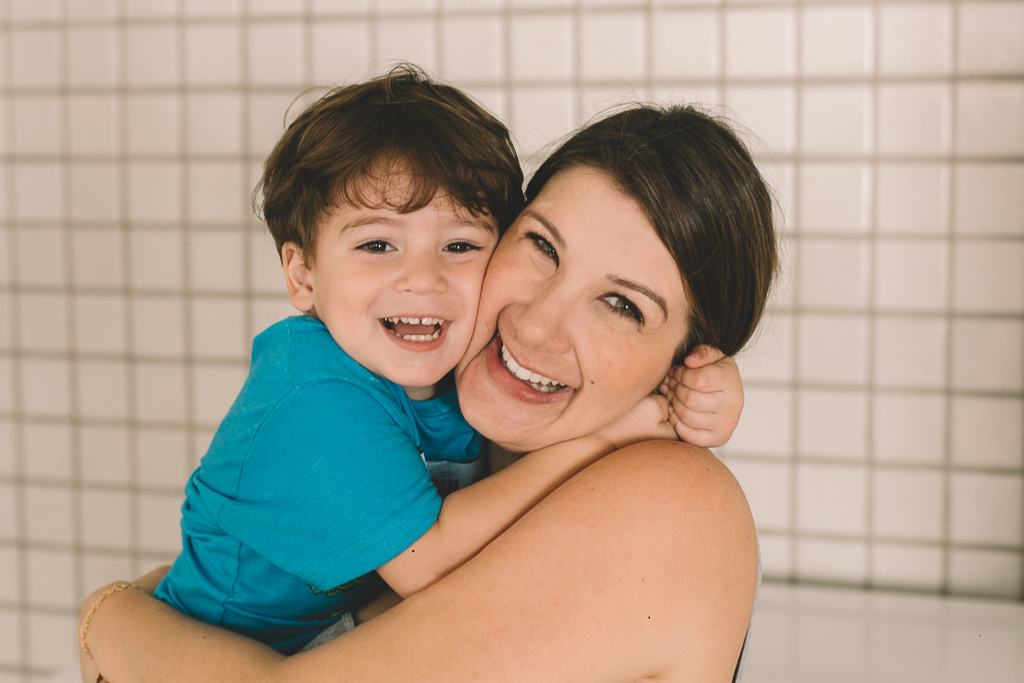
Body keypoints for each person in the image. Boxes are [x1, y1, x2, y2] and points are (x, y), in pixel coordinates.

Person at [79, 97, 776, 682]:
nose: (535, 325)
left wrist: (107, 619)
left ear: (685, 364)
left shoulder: (674, 501)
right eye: (541, 246)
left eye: (623, 306)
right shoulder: (424, 420)